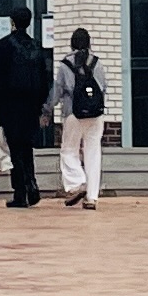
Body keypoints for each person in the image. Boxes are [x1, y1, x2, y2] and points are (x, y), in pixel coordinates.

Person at [0, 9, 52, 208]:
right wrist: (40, 106)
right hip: (31, 106)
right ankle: (32, 184)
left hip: (10, 105)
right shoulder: (36, 46)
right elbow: (44, 79)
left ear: (12, 22)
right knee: (27, 147)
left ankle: (21, 192)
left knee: (15, 147)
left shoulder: (4, 46)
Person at [55, 25, 109, 208]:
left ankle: (78, 182)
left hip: (73, 113)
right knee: (93, 152)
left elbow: (58, 90)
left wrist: (46, 109)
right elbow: (103, 88)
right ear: (89, 43)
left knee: (68, 150)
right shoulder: (97, 63)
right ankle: (92, 197)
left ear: (71, 44)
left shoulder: (65, 64)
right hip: (95, 114)